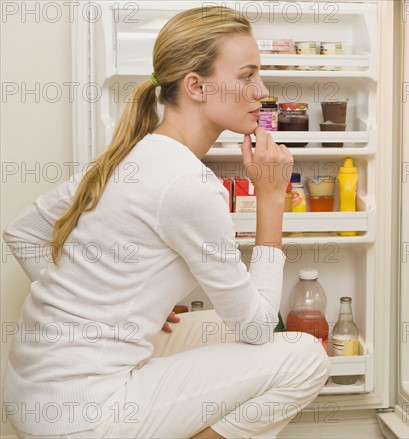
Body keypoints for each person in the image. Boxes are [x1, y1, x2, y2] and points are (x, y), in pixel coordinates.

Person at [3, 6, 330, 439]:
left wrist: (100, 314)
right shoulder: (187, 183)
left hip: (33, 395)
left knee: (213, 326)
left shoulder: (131, 155)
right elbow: (256, 329)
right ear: (195, 86)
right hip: (80, 416)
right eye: (248, 76)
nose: (262, 91)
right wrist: (271, 200)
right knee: (305, 355)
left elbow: (22, 232)